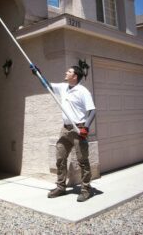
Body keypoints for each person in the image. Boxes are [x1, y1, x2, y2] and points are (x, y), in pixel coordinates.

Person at [48, 65, 96, 202]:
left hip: (78, 128)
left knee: (83, 161)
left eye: (68, 71)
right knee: (60, 158)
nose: (66, 72)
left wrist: (85, 128)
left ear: (75, 76)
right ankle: (61, 187)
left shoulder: (82, 91)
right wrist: (37, 73)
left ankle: (86, 189)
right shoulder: (63, 87)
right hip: (65, 129)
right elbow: (48, 85)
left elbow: (92, 111)